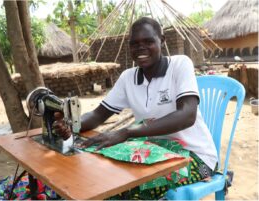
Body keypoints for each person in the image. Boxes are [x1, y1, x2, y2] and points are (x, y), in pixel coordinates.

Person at [53, 17, 218, 199]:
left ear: (161, 41)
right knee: (103, 179)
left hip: (195, 157)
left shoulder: (180, 65)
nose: (141, 48)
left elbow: (187, 115)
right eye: (135, 44)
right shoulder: (128, 78)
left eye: (148, 42)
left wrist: (127, 132)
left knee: (126, 191)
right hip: (154, 151)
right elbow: (98, 115)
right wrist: (72, 124)